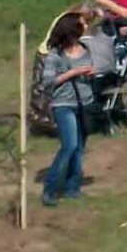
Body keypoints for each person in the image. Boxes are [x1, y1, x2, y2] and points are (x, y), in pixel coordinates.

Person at [40, 13, 95, 206]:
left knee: (79, 149)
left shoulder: (86, 49)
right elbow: (47, 83)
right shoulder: (56, 54)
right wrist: (72, 73)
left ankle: (73, 188)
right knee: (69, 145)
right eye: (82, 24)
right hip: (63, 105)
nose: (86, 27)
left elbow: (91, 71)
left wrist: (91, 73)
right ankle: (50, 189)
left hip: (84, 103)